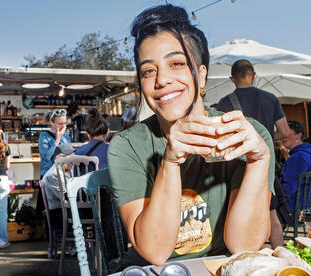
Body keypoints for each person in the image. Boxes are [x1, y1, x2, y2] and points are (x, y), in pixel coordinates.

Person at [108, 4, 275, 267]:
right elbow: (155, 252)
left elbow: (244, 245)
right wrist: (170, 162)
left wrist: (259, 160)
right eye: (148, 70)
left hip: (223, 268)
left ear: (201, 74)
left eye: (176, 64)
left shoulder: (248, 136)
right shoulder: (127, 146)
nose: (161, 79)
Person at [216, 59, 290, 248]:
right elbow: (285, 131)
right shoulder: (270, 98)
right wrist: (265, 138)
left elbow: (219, 137)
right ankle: (280, 254)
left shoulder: (224, 103)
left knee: (234, 214)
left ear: (232, 78)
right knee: (271, 213)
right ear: (253, 75)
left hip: (234, 165)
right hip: (264, 163)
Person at [281, 120, 311, 214]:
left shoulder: (298, 157)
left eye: (288, 134)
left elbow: (289, 189)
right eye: (283, 134)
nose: (284, 137)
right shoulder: (308, 154)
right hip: (304, 207)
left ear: (298, 136)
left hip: (292, 209)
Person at [38, 109, 71, 178]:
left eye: (65, 123)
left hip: (64, 175)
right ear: (51, 123)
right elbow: (47, 157)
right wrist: (57, 139)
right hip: (48, 176)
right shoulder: (44, 136)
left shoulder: (66, 136)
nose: (63, 126)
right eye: (60, 124)